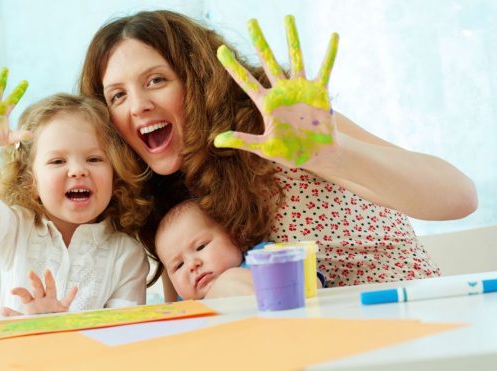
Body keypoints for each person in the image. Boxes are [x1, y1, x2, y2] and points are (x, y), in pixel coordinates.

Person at [80, 11, 477, 300]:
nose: (138, 105)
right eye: (117, 95)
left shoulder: (277, 123)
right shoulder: (167, 200)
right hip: (309, 351)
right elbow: (188, 319)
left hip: (411, 324)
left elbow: (459, 197)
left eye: (156, 80)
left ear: (198, 81)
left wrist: (330, 154)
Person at [0, 68, 151, 315]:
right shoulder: (18, 230)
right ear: (31, 180)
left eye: (94, 159)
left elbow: (125, 335)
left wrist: (56, 325)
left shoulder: (126, 255)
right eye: (58, 162)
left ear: (116, 173)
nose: (78, 171)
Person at [155, 199, 324, 300]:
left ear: (235, 235)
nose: (192, 265)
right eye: (178, 266)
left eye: (200, 247)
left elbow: (310, 282)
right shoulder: (184, 306)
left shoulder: (260, 259)